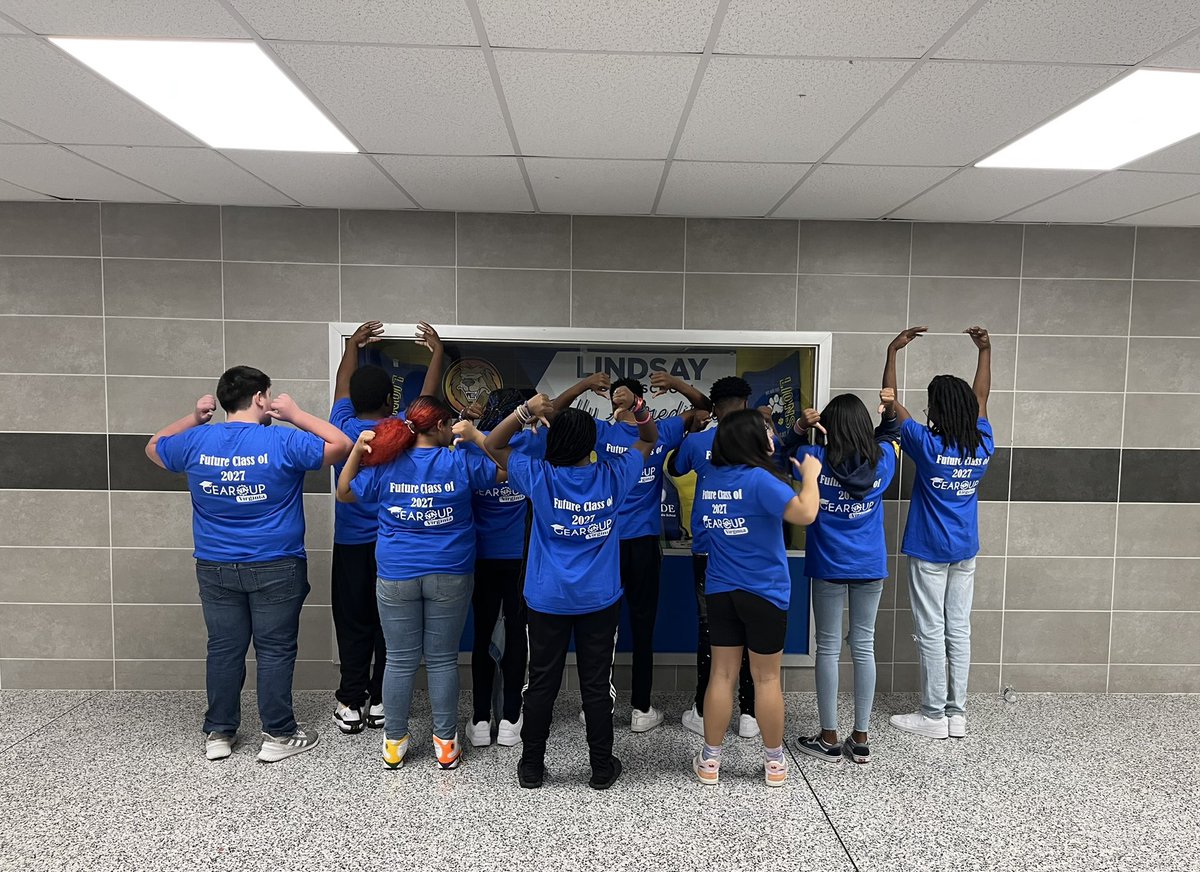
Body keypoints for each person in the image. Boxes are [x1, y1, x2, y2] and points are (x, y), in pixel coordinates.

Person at [145, 366, 352, 763]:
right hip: (276, 564)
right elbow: (340, 445)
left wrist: (193, 418)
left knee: (223, 649)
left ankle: (219, 734)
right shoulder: (282, 440)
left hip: (215, 564)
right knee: (274, 650)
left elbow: (154, 446)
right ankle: (278, 734)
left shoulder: (196, 441)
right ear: (260, 398)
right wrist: (296, 414)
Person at [484, 388, 657, 790]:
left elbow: (493, 442)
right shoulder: (614, 475)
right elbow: (649, 439)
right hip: (599, 599)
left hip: (547, 599)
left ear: (554, 441)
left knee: (541, 681)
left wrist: (526, 410)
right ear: (592, 443)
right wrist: (637, 408)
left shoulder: (538, 475)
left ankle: (531, 768)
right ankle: (600, 768)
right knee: (597, 684)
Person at [336, 395, 501, 771]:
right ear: (442, 426)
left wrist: (358, 452)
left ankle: (394, 744)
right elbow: (506, 471)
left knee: (398, 659)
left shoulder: (388, 464)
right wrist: (477, 437)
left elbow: (343, 492)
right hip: (451, 573)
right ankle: (445, 745)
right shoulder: (459, 460)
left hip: (396, 575)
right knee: (442, 660)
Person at [553, 371, 709, 733]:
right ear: (644, 404)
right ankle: (641, 709)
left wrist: (583, 385)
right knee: (643, 627)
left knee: (602, 628)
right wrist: (676, 383)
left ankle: (601, 706)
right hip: (640, 545)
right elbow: (704, 408)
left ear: (619, 402)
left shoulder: (604, 433)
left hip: (605, 544)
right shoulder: (661, 430)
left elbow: (556, 412)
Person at [691, 410, 821, 787]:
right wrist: (810, 476)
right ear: (752, 440)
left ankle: (710, 762)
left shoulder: (712, 479)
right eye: (766, 431)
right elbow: (806, 513)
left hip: (720, 589)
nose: (772, 436)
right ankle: (775, 764)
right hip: (764, 591)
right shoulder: (760, 480)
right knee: (765, 679)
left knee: (722, 674)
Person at [328, 320, 445, 735]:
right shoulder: (398, 433)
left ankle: (350, 701)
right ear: (390, 400)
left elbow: (344, 387)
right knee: (387, 625)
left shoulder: (343, 425)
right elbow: (427, 399)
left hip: (350, 544)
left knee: (352, 621)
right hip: (390, 544)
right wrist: (437, 354)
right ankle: (380, 700)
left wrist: (354, 347)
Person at [884, 326, 994, 740]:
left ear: (936, 409)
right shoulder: (982, 442)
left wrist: (892, 352)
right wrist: (985, 350)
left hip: (930, 550)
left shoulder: (926, 445)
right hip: (966, 549)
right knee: (958, 628)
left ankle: (933, 715)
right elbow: (981, 397)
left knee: (931, 628)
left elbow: (891, 404)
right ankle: (956, 714)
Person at [792, 387, 901, 766]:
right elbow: (891, 435)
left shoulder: (813, 457)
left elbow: (777, 455)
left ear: (827, 426)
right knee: (864, 646)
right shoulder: (883, 461)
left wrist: (797, 427)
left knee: (828, 647)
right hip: (870, 565)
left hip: (828, 565)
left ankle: (828, 738)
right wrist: (886, 414)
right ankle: (862, 738)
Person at [667, 376, 760, 740]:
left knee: (711, 629)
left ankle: (704, 710)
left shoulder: (700, 440)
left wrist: (693, 431)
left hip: (709, 549)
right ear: (746, 402)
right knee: (753, 627)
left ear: (716, 407)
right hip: (751, 549)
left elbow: (674, 469)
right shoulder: (762, 440)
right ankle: (750, 713)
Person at [461, 388, 545, 749]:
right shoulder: (532, 447)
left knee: (481, 635)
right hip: (519, 559)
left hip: (479, 557)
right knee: (516, 634)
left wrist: (472, 424)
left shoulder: (465, 447)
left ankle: (481, 719)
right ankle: (511, 718)